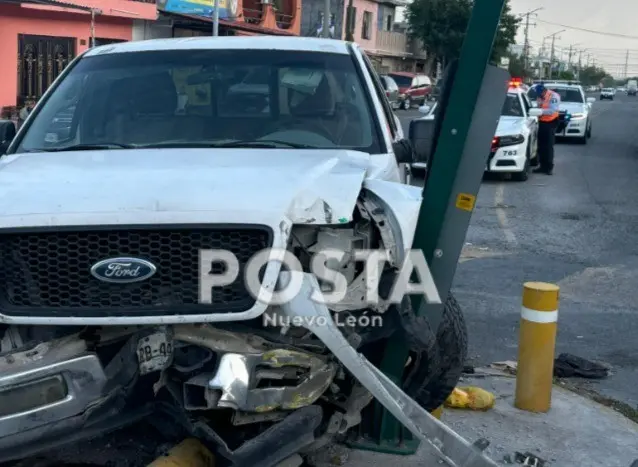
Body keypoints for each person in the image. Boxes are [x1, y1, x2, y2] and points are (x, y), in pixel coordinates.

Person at [532, 82, 560, 175]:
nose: (539, 96)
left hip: (551, 122)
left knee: (548, 146)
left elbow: (552, 111)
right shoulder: (540, 96)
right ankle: (542, 166)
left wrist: (539, 111)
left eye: (540, 94)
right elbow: (538, 105)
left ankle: (549, 167)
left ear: (544, 91)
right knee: (541, 145)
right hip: (542, 122)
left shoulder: (554, 96)